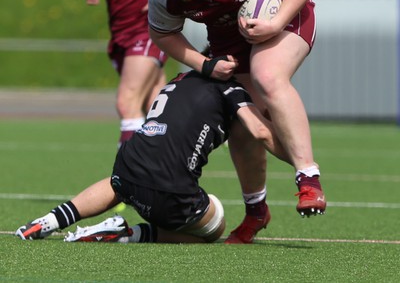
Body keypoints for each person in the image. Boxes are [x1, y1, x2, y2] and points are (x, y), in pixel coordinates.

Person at [147, 0, 327, 242]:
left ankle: (308, 178)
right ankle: (256, 212)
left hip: (286, 13)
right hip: (232, 35)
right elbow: (163, 35)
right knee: (243, 121)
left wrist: (274, 22)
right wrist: (204, 65)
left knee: (267, 74)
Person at [16, 69, 288, 244]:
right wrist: (304, 164)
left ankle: (49, 221)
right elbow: (261, 132)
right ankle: (128, 235)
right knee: (215, 226)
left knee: (118, 182)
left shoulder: (180, 78)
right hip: (170, 189)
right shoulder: (232, 89)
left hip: (129, 162)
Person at [81, 0, 181, 146]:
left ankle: (128, 178)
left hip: (150, 26)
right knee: (155, 106)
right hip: (119, 29)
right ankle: (167, 171)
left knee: (127, 102)